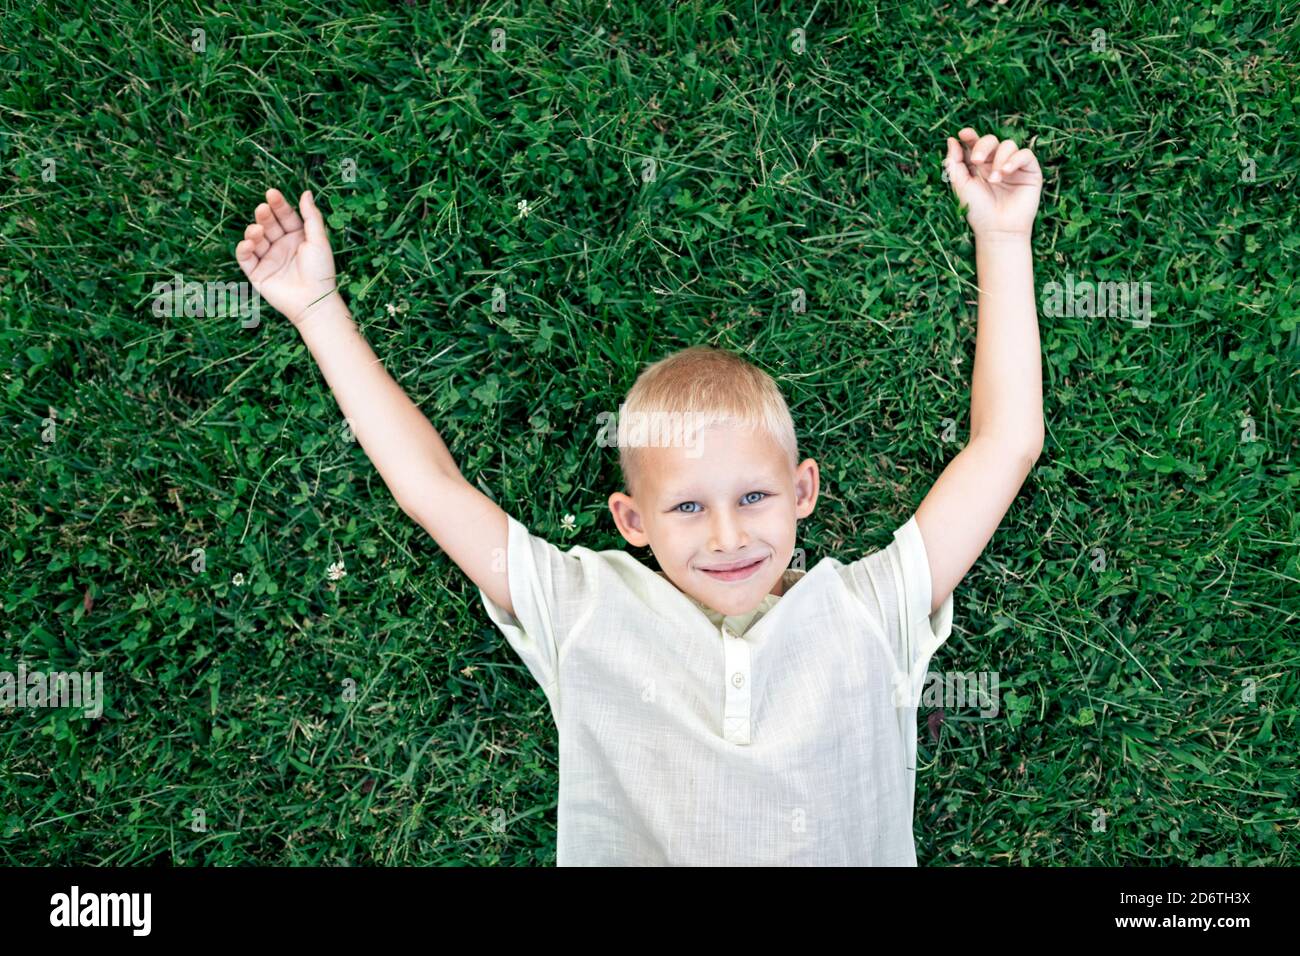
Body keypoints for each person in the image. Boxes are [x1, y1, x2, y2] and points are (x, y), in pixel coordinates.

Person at [234, 126, 1045, 865]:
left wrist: (1003, 237)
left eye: (754, 497)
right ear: (633, 521)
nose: (727, 535)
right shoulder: (585, 610)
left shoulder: (871, 610)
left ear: (804, 491)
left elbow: (1006, 446)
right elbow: (429, 489)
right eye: (687, 507)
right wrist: (315, 309)